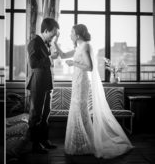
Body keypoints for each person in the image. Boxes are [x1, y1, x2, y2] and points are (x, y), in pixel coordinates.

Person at [54, 24, 133, 158]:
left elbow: (89, 67)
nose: (70, 35)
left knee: (80, 110)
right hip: (77, 81)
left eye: (71, 32)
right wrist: (55, 42)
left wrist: (73, 64)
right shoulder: (78, 47)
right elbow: (62, 55)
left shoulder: (85, 46)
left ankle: (86, 143)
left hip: (82, 81)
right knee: (76, 109)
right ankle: (80, 143)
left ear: (77, 35)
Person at [25, 17, 59, 154]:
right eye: (53, 33)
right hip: (38, 82)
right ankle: (35, 144)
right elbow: (33, 64)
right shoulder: (34, 42)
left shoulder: (46, 42)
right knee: (36, 114)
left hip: (46, 82)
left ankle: (44, 140)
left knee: (46, 113)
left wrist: (52, 50)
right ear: (46, 30)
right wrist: (51, 58)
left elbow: (44, 60)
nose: (54, 36)